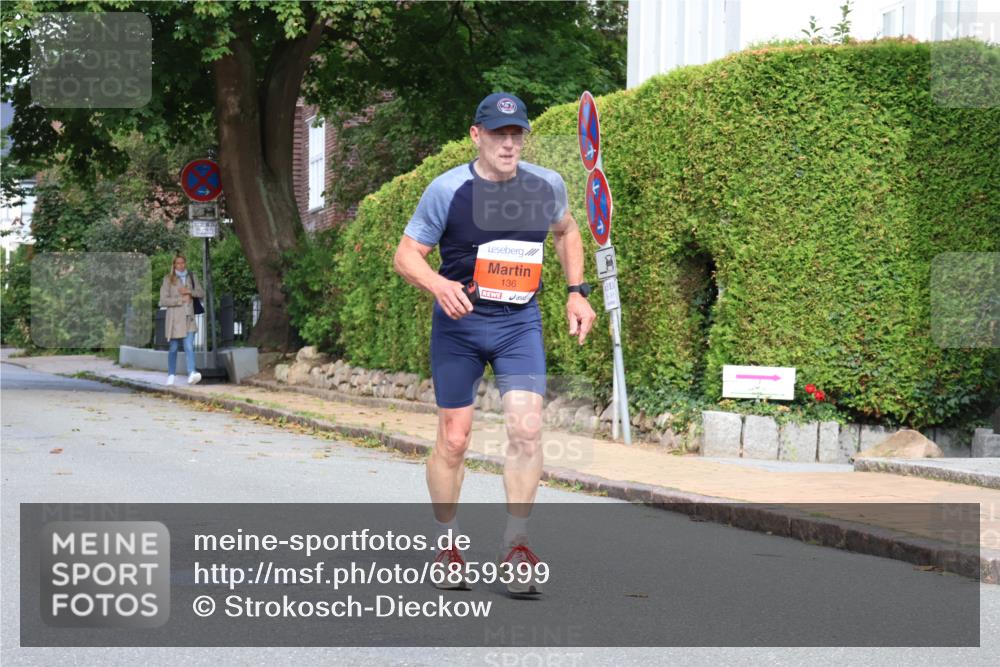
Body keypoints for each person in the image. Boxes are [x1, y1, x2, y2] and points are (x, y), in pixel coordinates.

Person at [393, 92, 596, 596]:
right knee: (454, 439)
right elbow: (407, 255)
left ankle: (516, 545)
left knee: (527, 429)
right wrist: (437, 284)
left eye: (516, 135)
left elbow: (568, 231)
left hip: (518, 324)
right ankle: (447, 545)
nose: (509, 144)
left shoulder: (545, 185)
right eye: (498, 134)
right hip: (459, 327)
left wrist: (577, 292)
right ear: (476, 136)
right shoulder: (447, 190)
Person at [159, 253, 204, 386]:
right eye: (178, 263)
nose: (181, 265)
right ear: (174, 265)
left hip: (189, 318)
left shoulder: (192, 276)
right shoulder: (168, 279)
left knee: (189, 346)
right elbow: (163, 300)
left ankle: (191, 373)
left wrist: (189, 292)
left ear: (185, 263)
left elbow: (201, 293)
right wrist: (180, 300)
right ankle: (171, 375)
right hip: (174, 319)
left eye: (182, 262)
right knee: (173, 348)